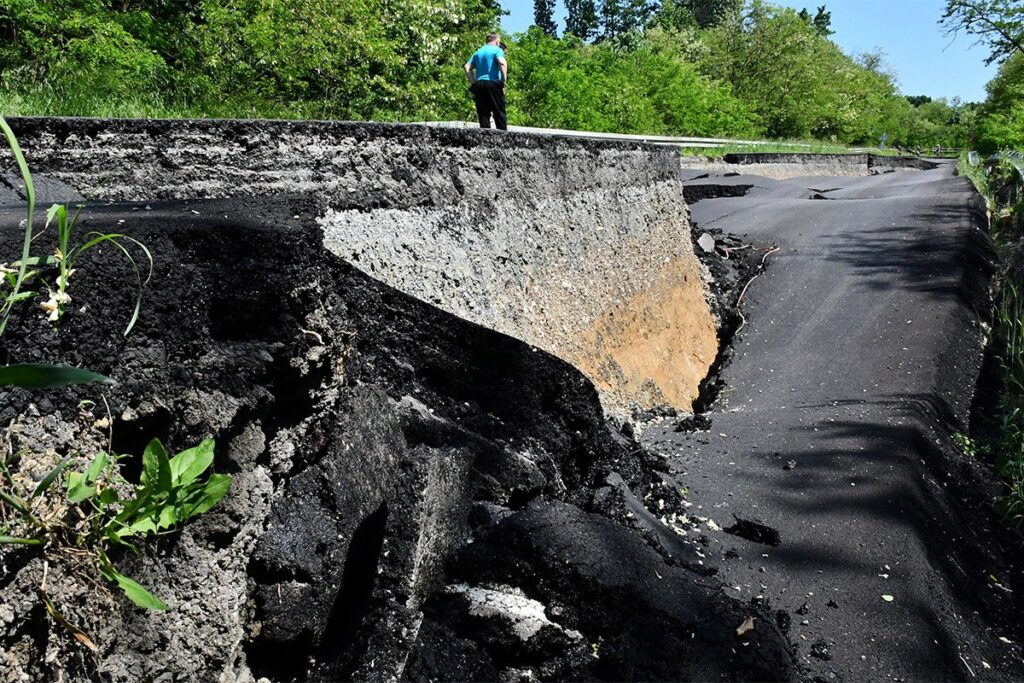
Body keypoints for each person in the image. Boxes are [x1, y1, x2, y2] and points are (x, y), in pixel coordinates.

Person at [465, 32, 508, 131]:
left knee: (483, 112)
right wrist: (503, 80)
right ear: (497, 41)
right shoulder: (497, 50)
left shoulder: (478, 52)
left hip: (479, 84)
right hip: (493, 82)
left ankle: (484, 137)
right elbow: (502, 62)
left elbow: (467, 67)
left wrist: (473, 82)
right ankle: (503, 137)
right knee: (499, 111)